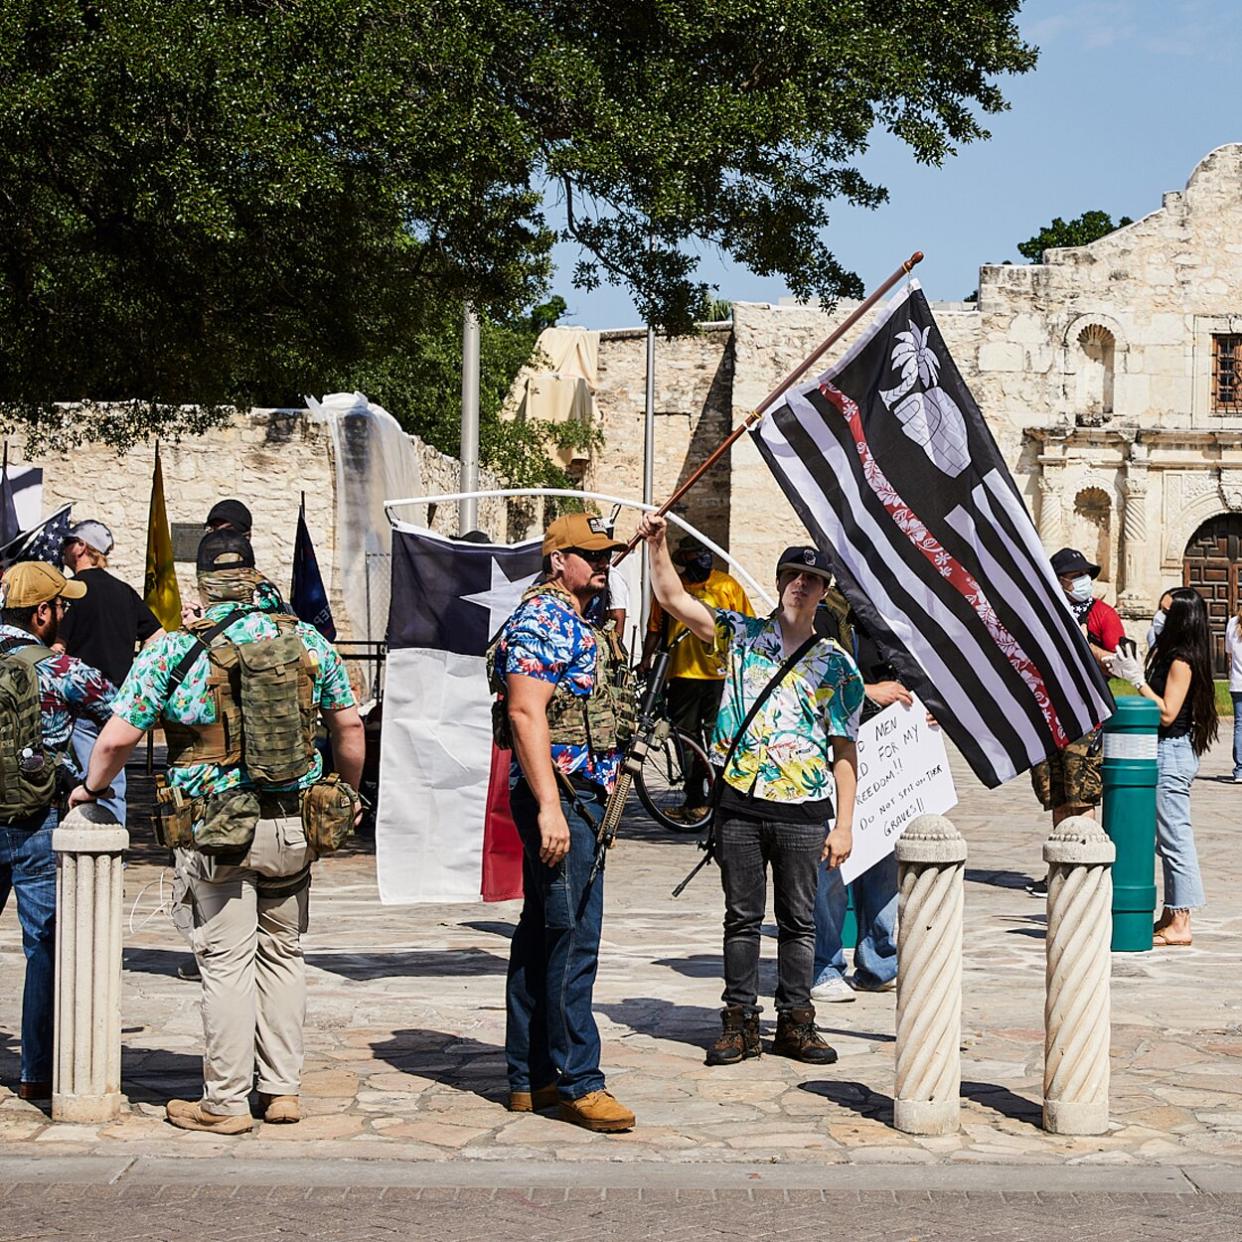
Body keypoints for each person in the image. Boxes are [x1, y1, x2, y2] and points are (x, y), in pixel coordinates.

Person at [69, 530, 364, 1133]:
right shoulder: (306, 639)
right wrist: (348, 792)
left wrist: (92, 789)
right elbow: (349, 727)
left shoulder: (177, 649)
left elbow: (118, 737)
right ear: (254, 575)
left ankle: (225, 1102)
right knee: (284, 953)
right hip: (293, 822)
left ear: (204, 584)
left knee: (227, 961)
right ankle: (281, 1090)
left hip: (218, 828)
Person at [637, 515, 863, 1067]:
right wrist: (659, 544)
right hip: (740, 802)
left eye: (810, 580)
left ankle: (795, 1021)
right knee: (740, 918)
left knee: (799, 921)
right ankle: (738, 1021)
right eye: (791, 576)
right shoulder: (743, 637)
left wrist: (845, 824)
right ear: (780, 580)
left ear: (824, 592)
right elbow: (672, 599)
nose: (799, 586)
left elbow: (845, 750)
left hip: (804, 809)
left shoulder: (836, 665)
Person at [489, 512, 636, 1133]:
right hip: (566, 798)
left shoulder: (574, 615)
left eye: (608, 556)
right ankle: (579, 1079)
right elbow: (525, 715)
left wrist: (643, 541)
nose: (604, 565)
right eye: (592, 556)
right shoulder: (541, 622)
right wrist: (550, 807)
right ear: (557, 561)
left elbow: (609, 574)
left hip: (577, 797)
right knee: (573, 937)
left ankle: (531, 1076)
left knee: (543, 933)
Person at [0, 562, 114, 1101]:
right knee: (43, 944)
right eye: (61, 605)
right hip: (36, 818)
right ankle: (37, 1072)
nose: (65, 613)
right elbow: (123, 713)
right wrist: (90, 786)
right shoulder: (61, 668)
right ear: (41, 612)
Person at [810, 588, 912, 1002]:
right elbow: (808, 676)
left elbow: (917, 673)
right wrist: (871, 692)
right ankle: (825, 965)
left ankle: (879, 961)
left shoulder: (892, 615)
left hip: (888, 755)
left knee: (885, 860)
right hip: (831, 752)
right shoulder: (823, 614)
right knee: (830, 865)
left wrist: (923, 705)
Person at [1112, 588, 1218, 947]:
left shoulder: (1183, 660)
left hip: (1172, 752)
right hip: (1164, 750)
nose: (1158, 617)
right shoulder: (1169, 654)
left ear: (1181, 619)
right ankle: (1172, 913)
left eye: (1165, 612)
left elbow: (1168, 711)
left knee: (1175, 837)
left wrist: (1138, 682)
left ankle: (1182, 920)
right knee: (1166, 838)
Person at [1026, 547, 1124, 898]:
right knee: (1057, 793)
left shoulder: (1103, 615)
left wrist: (1085, 645)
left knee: (1082, 794)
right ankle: (1059, 867)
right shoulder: (1043, 616)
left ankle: (1085, 866)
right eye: (1073, 575)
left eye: (1084, 575)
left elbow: (1121, 663)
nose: (1082, 581)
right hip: (1048, 716)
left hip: (1085, 718)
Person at [54, 520, 163, 827]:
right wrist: (137, 672)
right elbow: (158, 637)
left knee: (86, 778)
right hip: (119, 699)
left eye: (68, 541)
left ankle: (94, 849)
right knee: (113, 775)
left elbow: (58, 648)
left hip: (79, 701)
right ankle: (113, 851)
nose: (62, 547)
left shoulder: (73, 592)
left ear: (81, 548)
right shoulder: (124, 592)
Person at [639, 534, 753, 825]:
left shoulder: (727, 586)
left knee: (720, 737)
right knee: (686, 741)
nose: (701, 559)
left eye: (703, 553)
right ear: (685, 559)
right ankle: (695, 800)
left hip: (721, 675)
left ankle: (723, 799)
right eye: (694, 555)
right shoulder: (671, 589)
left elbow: (747, 626)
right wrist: (646, 659)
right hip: (682, 675)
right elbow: (655, 628)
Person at [1224, 600, 1242, 783]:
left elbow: (1229, 650)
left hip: (1238, 683)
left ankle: (1240, 770)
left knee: (1240, 726)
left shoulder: (1233, 623)